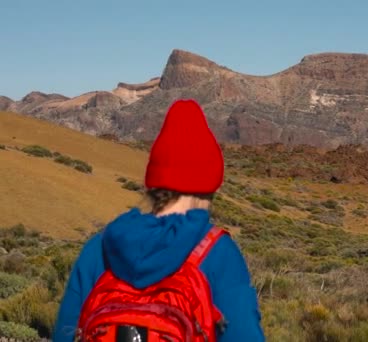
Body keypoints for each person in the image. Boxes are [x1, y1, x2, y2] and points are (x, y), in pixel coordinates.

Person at [53, 99, 265, 341]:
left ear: (153, 185)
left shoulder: (99, 248)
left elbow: (64, 335)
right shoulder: (219, 254)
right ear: (209, 185)